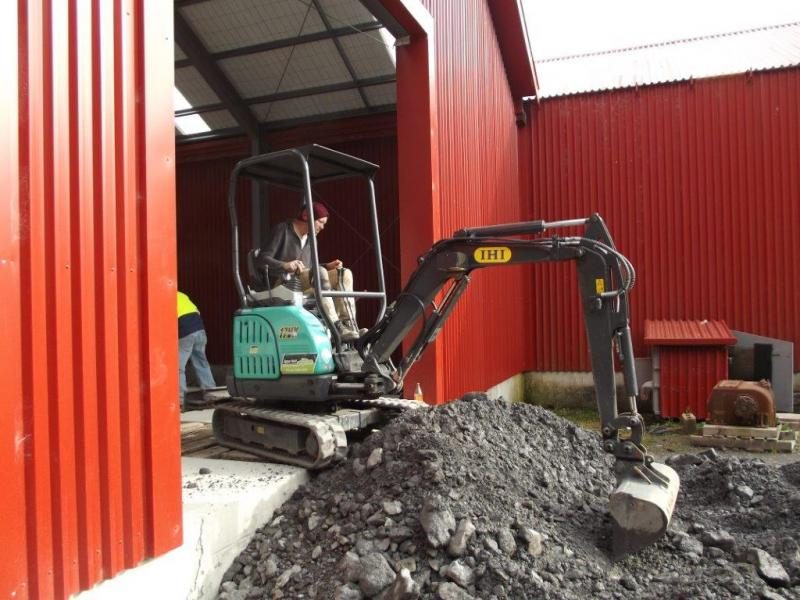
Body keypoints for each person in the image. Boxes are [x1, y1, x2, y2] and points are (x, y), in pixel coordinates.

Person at [257, 201, 363, 342]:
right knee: (319, 273)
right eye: (320, 222)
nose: (323, 227)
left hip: (303, 282)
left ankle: (349, 324)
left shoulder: (311, 240)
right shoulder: (282, 230)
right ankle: (335, 325)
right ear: (307, 216)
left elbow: (312, 269)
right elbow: (261, 259)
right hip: (282, 284)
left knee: (344, 273)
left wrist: (327, 266)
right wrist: (285, 265)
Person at [177, 290, 217, 409]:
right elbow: (197, 312)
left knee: (178, 367)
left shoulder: (166, 298)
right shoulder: (182, 296)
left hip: (186, 333)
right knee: (202, 363)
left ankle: (180, 399)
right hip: (200, 331)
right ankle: (211, 393)